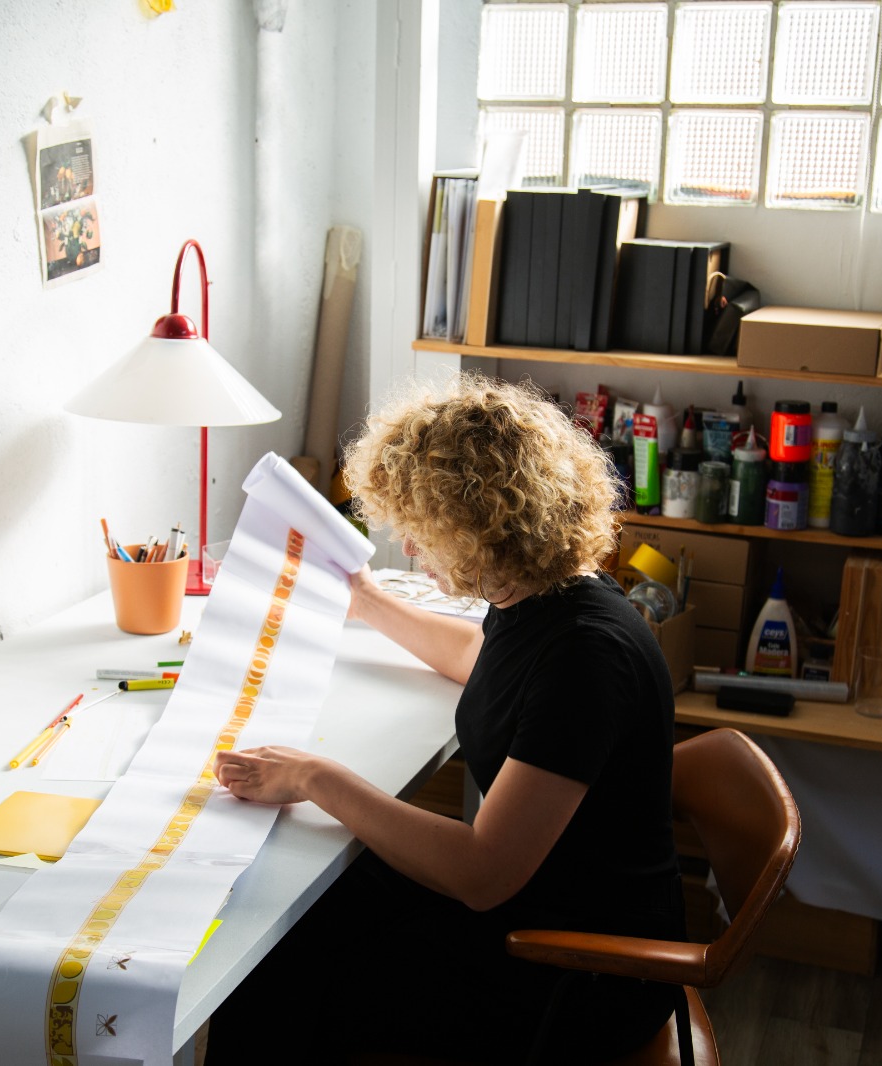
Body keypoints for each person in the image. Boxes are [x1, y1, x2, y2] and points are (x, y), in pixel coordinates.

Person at [207, 376, 682, 1064]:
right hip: (537, 905)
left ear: (482, 527)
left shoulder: (586, 657)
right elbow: (480, 660)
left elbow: (483, 873)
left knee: (286, 983)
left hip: (580, 971)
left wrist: (314, 777)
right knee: (297, 923)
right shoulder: (542, 597)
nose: (410, 548)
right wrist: (366, 600)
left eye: (423, 532)